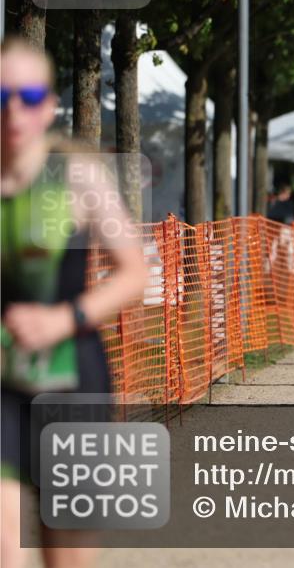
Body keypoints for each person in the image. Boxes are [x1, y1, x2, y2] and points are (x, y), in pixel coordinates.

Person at [1, 36, 149, 568]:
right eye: (1, 97)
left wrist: (64, 319)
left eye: (28, 97)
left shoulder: (77, 176)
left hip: (72, 381)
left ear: (49, 107)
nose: (13, 111)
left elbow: (134, 273)